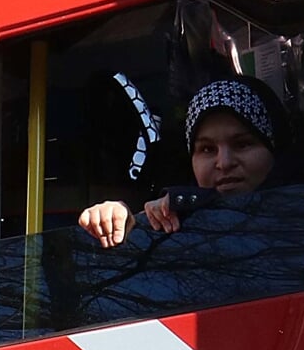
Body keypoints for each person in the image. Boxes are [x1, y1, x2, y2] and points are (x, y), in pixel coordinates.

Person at [78, 75, 288, 248]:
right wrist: (122, 222)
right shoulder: (175, 220)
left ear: (274, 147)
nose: (224, 163)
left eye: (242, 144)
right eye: (207, 149)